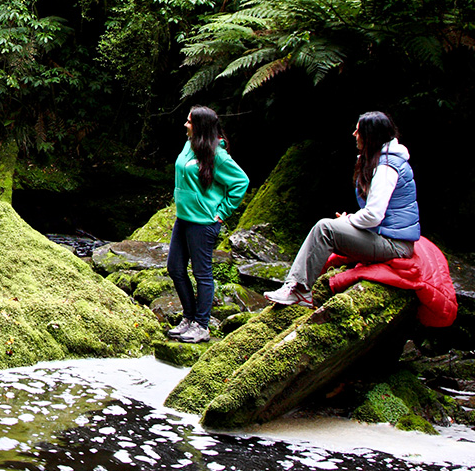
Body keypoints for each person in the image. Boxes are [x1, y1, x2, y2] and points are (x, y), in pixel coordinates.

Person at [265, 111, 418, 307]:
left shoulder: (387, 167)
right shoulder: (383, 160)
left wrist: (347, 222)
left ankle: (299, 290)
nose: (354, 134)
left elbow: (374, 215)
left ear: (370, 135)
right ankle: (296, 287)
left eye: (358, 130)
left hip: (395, 246)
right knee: (328, 228)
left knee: (325, 228)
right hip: (388, 238)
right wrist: (350, 220)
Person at [166, 106, 250, 344]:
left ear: (200, 126)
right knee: (175, 268)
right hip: (183, 219)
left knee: (202, 274)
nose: (185, 124)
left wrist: (222, 212)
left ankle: (202, 325)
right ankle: (189, 317)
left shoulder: (217, 154)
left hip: (203, 223)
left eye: (189, 121)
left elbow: (241, 182)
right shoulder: (188, 144)